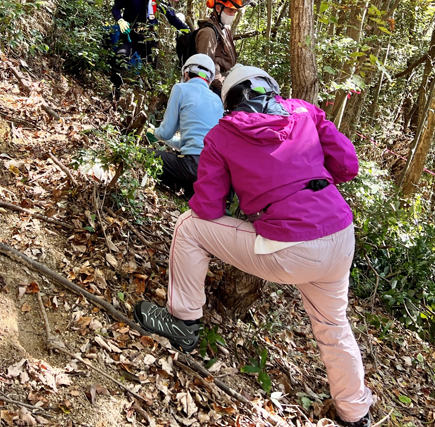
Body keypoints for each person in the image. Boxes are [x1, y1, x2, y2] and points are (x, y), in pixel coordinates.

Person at [133, 64, 374, 427]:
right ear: (271, 89)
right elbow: (347, 165)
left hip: (289, 245)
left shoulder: (222, 134)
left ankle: (183, 321)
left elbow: (208, 208)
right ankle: (355, 413)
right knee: (333, 324)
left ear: (229, 101)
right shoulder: (304, 112)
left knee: (188, 226)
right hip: (340, 234)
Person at [110, 0, 189, 99]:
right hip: (130, 36)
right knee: (119, 58)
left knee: (152, 69)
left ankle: (150, 98)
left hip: (150, 39)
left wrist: (188, 31)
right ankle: (115, 93)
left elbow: (172, 17)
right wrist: (120, 20)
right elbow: (115, 7)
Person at [149, 54, 224, 200]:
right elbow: (194, 145)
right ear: (209, 79)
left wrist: (154, 132)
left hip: (190, 166)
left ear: (186, 73)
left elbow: (165, 133)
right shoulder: (217, 99)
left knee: (142, 155)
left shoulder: (181, 89)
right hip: (213, 172)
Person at [194, 0, 255, 92]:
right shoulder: (208, 32)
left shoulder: (224, 27)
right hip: (214, 84)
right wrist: (225, 86)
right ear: (218, 8)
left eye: (234, 12)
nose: (232, 15)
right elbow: (206, 67)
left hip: (225, 74)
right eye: (230, 11)